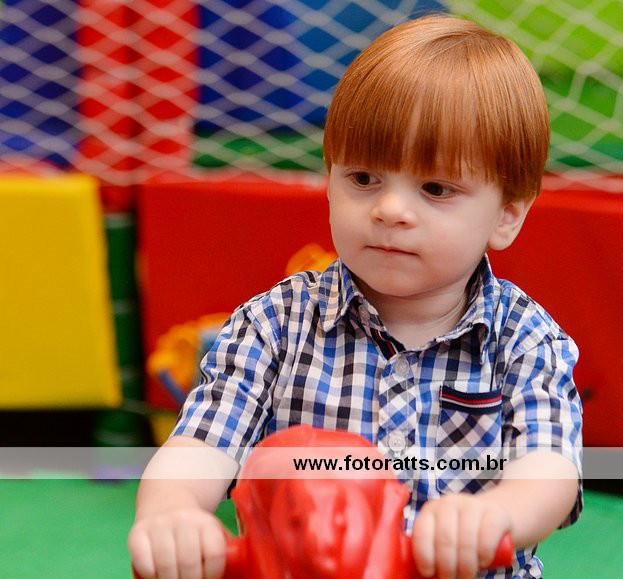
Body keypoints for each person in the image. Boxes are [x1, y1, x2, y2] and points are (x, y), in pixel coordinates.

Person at [129, 13, 582, 579]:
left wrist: (497, 514)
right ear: (329, 179)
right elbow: (201, 445)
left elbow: (550, 470)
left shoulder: (525, 340)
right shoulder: (274, 325)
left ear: (506, 216)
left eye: (435, 188)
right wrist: (171, 512)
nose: (389, 209)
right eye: (363, 179)